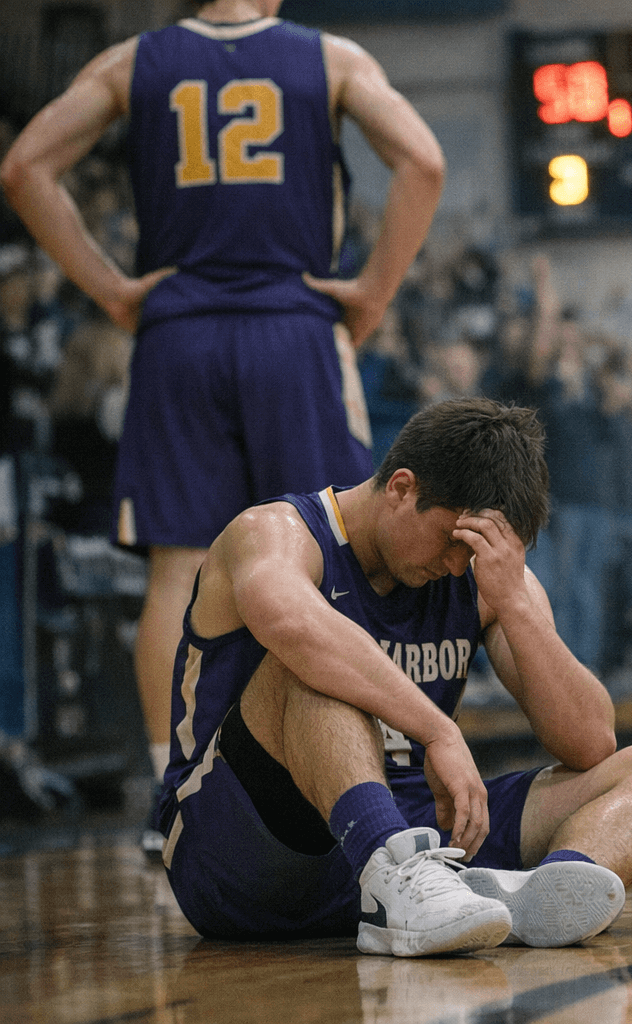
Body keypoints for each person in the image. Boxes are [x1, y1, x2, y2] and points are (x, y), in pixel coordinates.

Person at [1, 0, 446, 853]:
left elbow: (25, 168)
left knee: (180, 564)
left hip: (180, 333)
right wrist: (374, 293)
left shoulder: (136, 60)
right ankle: (354, 777)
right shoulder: (331, 57)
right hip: (294, 323)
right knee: (332, 552)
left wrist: (110, 289)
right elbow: (422, 160)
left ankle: (172, 790)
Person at [153, 397, 632, 955]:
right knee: (312, 668)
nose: (459, 564)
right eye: (453, 540)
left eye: (476, 549)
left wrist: (513, 600)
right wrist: (439, 730)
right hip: (236, 853)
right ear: (402, 488)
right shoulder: (273, 532)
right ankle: (395, 870)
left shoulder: (481, 576)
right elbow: (290, 625)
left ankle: (538, 898)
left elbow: (589, 741)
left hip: (424, 856)